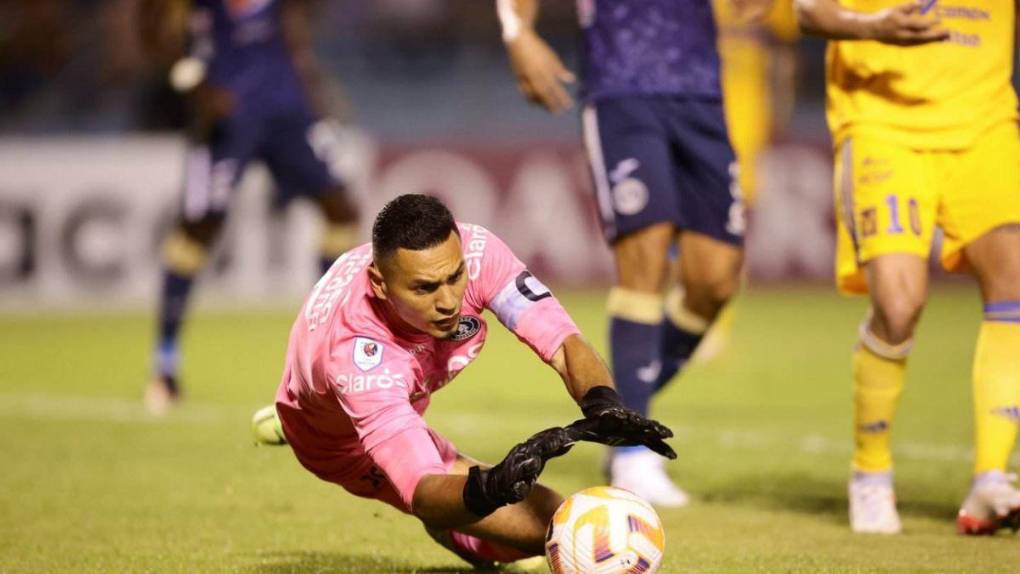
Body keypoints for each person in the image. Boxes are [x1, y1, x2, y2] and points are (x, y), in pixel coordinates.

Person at [251, 194, 676, 566]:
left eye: (455, 278)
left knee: (546, 514)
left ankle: (295, 409)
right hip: (341, 442)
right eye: (425, 288)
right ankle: (297, 420)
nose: (449, 301)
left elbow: (564, 342)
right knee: (554, 528)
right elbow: (422, 489)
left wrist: (602, 403)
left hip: (376, 391)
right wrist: (491, 487)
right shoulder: (358, 360)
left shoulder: (477, 252)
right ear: (380, 284)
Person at [496, 0, 769, 506]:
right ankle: (631, 459)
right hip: (623, 85)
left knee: (715, 281)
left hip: (702, 89)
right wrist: (517, 32)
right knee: (644, 259)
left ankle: (617, 410)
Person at [795, 0, 1020, 534]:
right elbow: (806, 12)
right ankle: (870, 473)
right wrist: (871, 26)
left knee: (1014, 278)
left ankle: (991, 476)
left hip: (986, 122)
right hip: (884, 125)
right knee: (898, 306)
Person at [139, 0, 358, 414]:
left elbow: (292, 30)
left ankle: (330, 353)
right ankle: (164, 366)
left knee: (341, 208)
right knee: (200, 225)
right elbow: (152, 26)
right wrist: (192, 83)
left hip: (286, 104)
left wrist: (314, 92)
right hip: (229, 110)